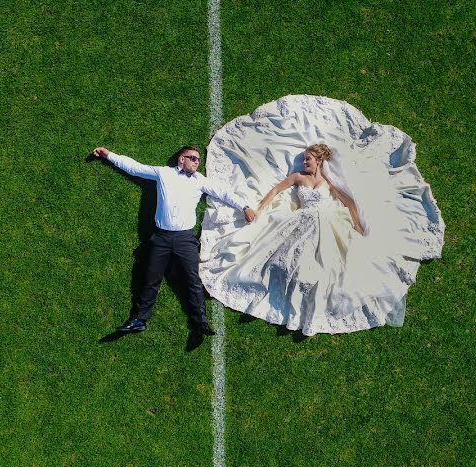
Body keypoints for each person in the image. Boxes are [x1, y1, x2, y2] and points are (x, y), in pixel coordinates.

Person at [199, 95, 445, 336]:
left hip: (328, 222)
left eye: (308, 159)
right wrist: (261, 209)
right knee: (287, 258)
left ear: (318, 161)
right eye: (304, 159)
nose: (304, 162)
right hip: (301, 220)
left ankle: (313, 298)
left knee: (332, 263)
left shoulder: (329, 179)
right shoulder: (298, 178)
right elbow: (275, 191)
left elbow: (348, 200)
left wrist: (358, 223)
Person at [92, 145, 256, 338]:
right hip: (160, 237)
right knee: (150, 279)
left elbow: (223, 192)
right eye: (193, 158)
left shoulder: (200, 181)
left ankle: (200, 322)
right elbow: (134, 167)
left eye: (198, 159)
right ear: (181, 159)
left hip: (185, 239)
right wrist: (108, 155)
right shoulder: (163, 174)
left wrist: (244, 207)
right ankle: (138, 320)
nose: (197, 162)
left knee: (192, 280)